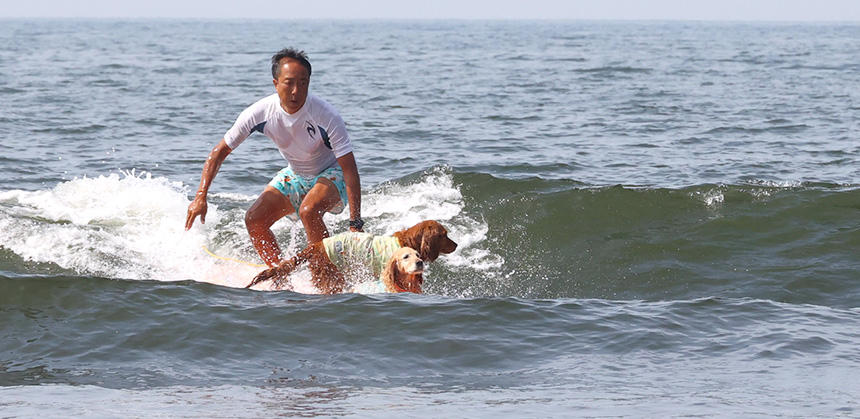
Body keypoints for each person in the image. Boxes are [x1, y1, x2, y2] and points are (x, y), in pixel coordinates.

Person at [185, 48, 363, 267]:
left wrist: (355, 222)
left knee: (309, 211)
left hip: (333, 175)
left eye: (303, 83)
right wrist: (200, 197)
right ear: (275, 83)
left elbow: (350, 169)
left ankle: (328, 277)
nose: (296, 91)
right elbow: (219, 152)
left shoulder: (326, 115)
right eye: (289, 83)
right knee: (254, 219)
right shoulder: (259, 112)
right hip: (296, 174)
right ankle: (280, 276)